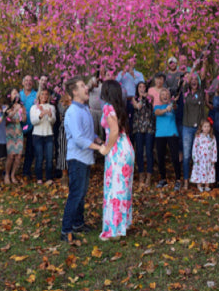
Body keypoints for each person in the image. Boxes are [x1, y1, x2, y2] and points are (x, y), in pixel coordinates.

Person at [92, 80, 135, 241]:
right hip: (126, 148)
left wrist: (106, 148)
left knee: (115, 189)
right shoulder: (119, 108)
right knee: (123, 188)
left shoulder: (108, 107)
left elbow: (114, 131)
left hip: (117, 150)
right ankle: (123, 224)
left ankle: (114, 230)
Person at [61, 77, 98, 243]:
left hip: (86, 158)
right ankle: (66, 230)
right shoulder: (73, 111)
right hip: (76, 159)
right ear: (74, 92)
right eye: (83, 86)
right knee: (75, 194)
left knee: (82, 193)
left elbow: (88, 133)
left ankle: (78, 223)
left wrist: (99, 140)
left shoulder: (84, 109)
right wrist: (99, 148)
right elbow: (78, 138)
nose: (86, 88)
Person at [182, 73, 206, 190]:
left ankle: (199, 180)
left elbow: (203, 78)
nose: (194, 81)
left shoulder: (201, 93)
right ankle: (186, 181)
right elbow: (184, 83)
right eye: (191, 79)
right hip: (187, 127)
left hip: (199, 129)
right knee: (186, 156)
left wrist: (204, 60)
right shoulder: (185, 93)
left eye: (196, 79)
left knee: (199, 156)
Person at [154, 88, 181, 190]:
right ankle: (163, 179)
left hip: (172, 133)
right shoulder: (157, 106)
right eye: (163, 94)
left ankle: (178, 180)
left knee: (175, 157)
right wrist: (166, 109)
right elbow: (157, 112)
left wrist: (173, 103)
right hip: (160, 134)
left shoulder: (173, 106)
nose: (165, 96)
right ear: (160, 97)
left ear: (169, 97)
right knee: (160, 157)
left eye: (167, 94)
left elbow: (174, 107)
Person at [30, 88, 56, 184]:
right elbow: (33, 122)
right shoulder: (34, 108)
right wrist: (40, 115)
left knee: (49, 157)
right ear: (39, 96)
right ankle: (39, 178)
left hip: (48, 134)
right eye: (42, 94)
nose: (44, 96)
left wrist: (49, 115)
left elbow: (53, 121)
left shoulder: (51, 107)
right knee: (39, 157)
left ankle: (49, 177)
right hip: (37, 135)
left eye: (46, 94)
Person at [132, 82, 155, 188]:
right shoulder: (134, 99)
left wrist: (147, 96)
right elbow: (138, 107)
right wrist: (141, 98)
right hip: (138, 128)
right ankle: (141, 174)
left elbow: (153, 100)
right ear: (137, 89)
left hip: (149, 127)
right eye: (140, 87)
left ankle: (149, 176)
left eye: (144, 87)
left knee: (149, 152)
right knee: (139, 151)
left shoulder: (149, 98)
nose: (142, 88)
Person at [4, 88, 26, 184]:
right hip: (9, 132)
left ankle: (13, 175)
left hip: (18, 132)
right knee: (11, 155)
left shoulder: (21, 106)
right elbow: (6, 119)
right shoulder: (6, 106)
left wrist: (23, 113)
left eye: (17, 93)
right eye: (14, 93)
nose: (16, 95)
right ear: (10, 96)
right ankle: (7, 175)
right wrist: (14, 111)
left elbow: (24, 120)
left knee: (18, 156)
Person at [190, 120, 217, 192]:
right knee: (200, 171)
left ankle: (207, 185)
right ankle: (199, 185)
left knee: (208, 171)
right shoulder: (198, 137)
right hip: (200, 159)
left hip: (209, 159)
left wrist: (214, 158)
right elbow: (194, 147)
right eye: (205, 126)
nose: (207, 128)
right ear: (201, 127)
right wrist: (195, 157)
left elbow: (214, 148)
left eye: (208, 126)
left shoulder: (212, 137)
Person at [20, 75, 37, 179]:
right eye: (26, 80)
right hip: (19, 126)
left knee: (30, 150)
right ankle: (11, 171)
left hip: (31, 126)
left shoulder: (36, 95)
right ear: (23, 83)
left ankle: (26, 171)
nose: (28, 82)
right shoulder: (18, 94)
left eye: (30, 80)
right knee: (15, 150)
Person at [56, 91, 72, 186]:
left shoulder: (76, 101)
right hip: (64, 129)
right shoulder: (61, 103)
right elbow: (63, 112)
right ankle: (64, 175)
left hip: (74, 129)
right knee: (63, 151)